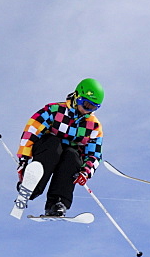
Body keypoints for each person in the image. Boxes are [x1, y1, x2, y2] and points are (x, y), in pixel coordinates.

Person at [16, 78, 104, 217]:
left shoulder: (94, 126)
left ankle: (57, 203)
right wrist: (23, 159)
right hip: (48, 147)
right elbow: (31, 132)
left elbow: (94, 154)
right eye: (87, 105)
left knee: (72, 157)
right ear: (77, 97)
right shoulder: (54, 110)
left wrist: (86, 171)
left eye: (93, 108)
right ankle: (32, 186)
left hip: (69, 154)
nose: (88, 110)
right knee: (54, 145)